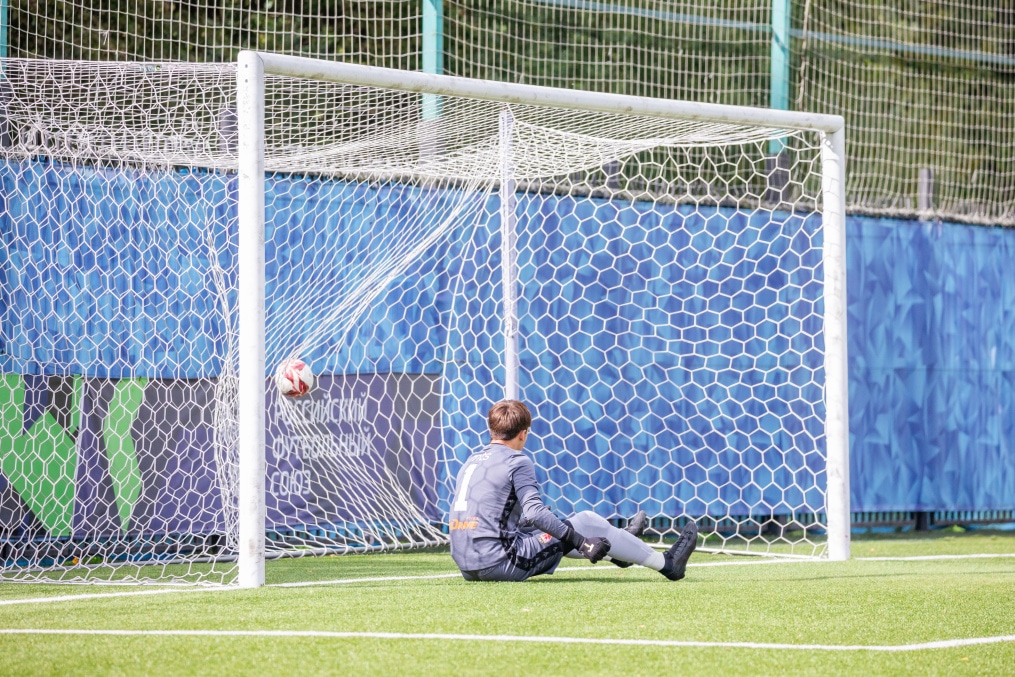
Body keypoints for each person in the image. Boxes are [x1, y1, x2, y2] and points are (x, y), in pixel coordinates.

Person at [449, 399, 698, 582]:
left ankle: (620, 548)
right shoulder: (517, 460)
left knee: (541, 527)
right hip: (500, 563)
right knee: (584, 523)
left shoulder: (472, 460)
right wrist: (582, 541)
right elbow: (536, 512)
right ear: (523, 434)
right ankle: (667, 564)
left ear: (491, 430)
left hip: (467, 564)